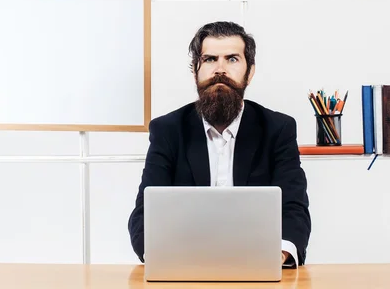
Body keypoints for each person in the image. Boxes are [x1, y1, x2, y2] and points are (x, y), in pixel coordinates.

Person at [128, 21, 311, 267]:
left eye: (232, 59)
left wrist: (277, 255)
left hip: (258, 266)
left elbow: (294, 208)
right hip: (184, 266)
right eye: (211, 59)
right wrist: (163, 257)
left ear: (250, 71)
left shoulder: (278, 129)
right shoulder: (168, 130)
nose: (220, 69)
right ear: (195, 70)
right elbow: (144, 215)